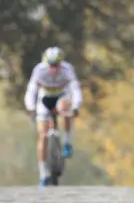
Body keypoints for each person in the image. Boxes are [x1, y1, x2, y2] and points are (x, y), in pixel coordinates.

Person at [23, 46, 82, 187]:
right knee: (42, 136)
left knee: (65, 107)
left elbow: (75, 89)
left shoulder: (67, 70)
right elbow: (31, 90)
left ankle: (67, 142)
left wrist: (76, 106)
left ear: (61, 63)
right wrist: (31, 107)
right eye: (51, 65)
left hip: (61, 97)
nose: (54, 69)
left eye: (57, 65)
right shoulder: (39, 70)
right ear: (46, 64)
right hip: (45, 99)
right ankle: (44, 174)